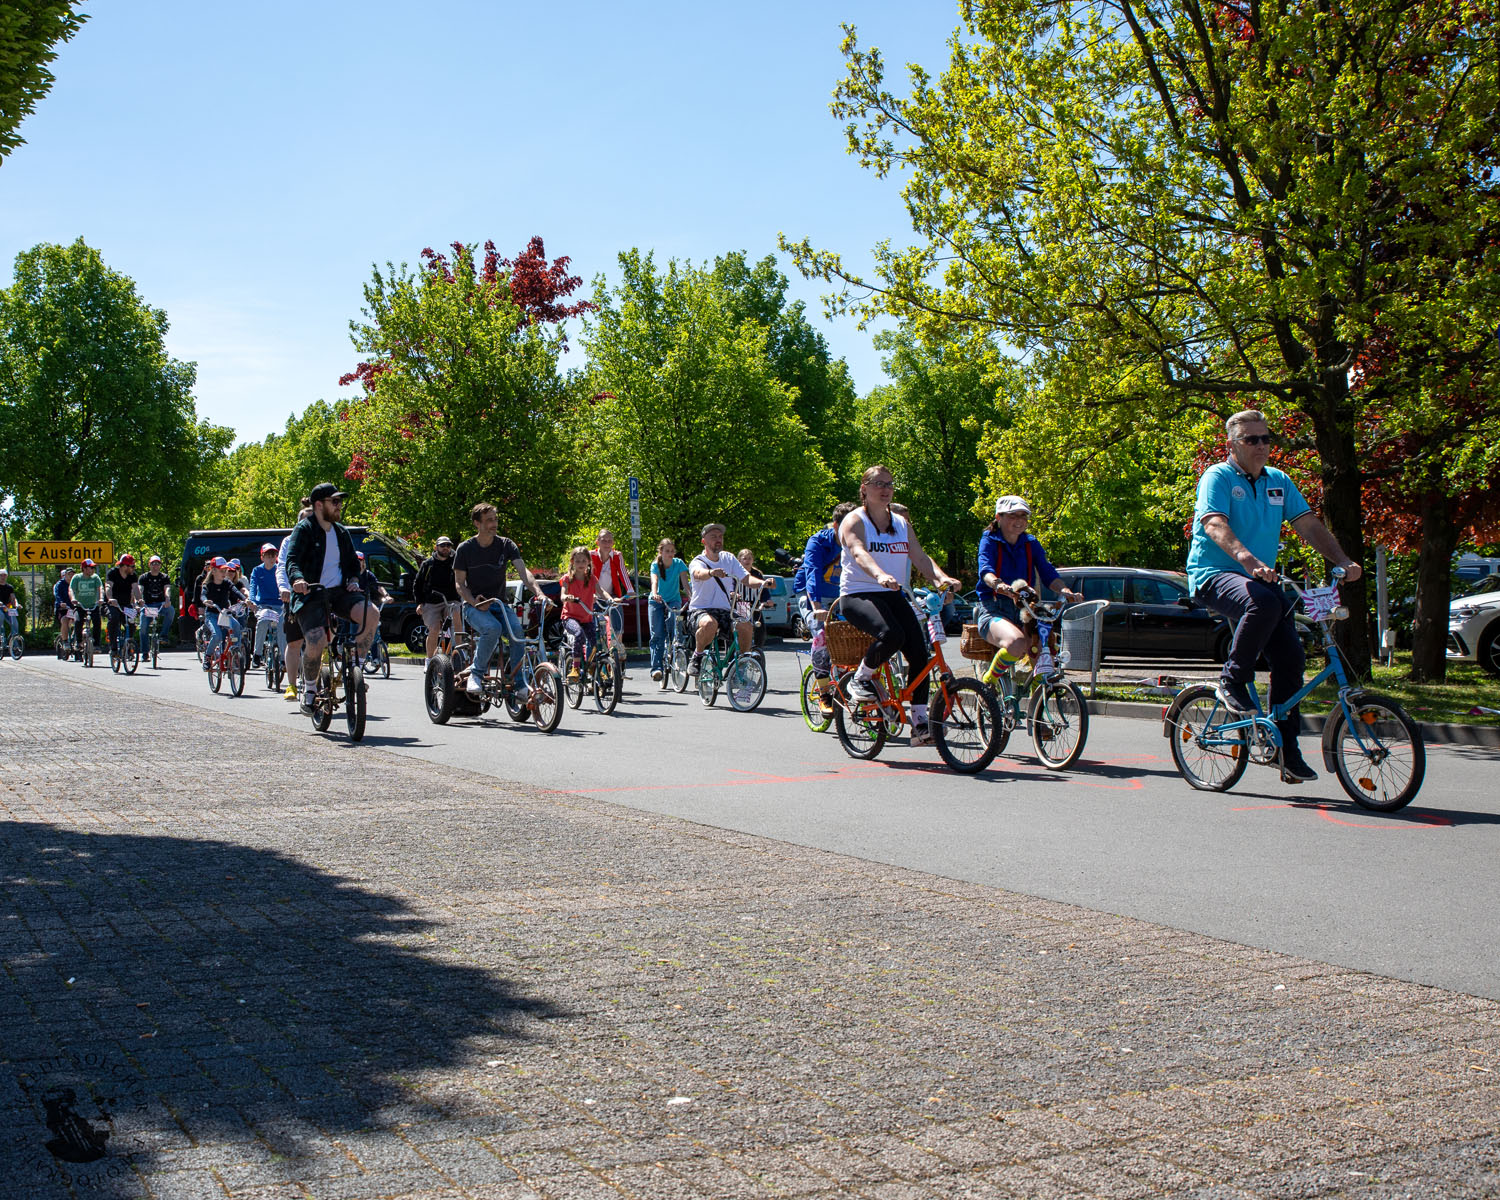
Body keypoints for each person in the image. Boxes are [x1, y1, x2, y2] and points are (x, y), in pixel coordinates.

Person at [1187, 409, 1363, 784]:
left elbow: (1308, 525)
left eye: (1266, 438)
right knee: (1264, 601)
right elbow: (1214, 524)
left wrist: (1343, 560)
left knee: (1291, 658)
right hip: (1214, 575)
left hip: (1258, 581)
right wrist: (1248, 559)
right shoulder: (1217, 476)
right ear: (1232, 444)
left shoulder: (1278, 481)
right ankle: (1233, 679)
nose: (1262, 445)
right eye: (1252, 439)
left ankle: (1286, 748)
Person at [837, 465, 962, 747]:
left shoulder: (901, 524)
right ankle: (861, 678)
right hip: (858, 594)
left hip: (893, 594)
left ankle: (919, 724)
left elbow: (920, 557)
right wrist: (879, 574)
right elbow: (858, 551)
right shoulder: (854, 521)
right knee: (892, 634)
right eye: (879, 483)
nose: (886, 489)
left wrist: (942, 579)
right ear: (864, 489)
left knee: (920, 655)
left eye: (890, 484)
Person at [285, 483, 377, 709]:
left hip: (339, 592)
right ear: (319, 505)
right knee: (317, 639)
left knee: (372, 613)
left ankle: (356, 666)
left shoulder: (341, 532)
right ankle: (309, 688)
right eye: (334, 502)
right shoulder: (304, 529)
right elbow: (292, 560)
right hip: (311, 592)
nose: (339, 506)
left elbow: (353, 564)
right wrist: (297, 579)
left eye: (340, 501)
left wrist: (353, 580)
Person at [453, 502, 550, 699]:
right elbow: (459, 584)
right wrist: (474, 602)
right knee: (493, 628)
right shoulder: (465, 549)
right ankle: (476, 675)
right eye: (489, 520)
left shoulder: (506, 545)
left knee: (517, 633)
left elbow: (524, 572)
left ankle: (519, 684)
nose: (494, 524)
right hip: (474, 607)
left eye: (495, 519)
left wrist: (539, 593)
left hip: (499, 604)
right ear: (477, 523)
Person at [976, 496, 1082, 669]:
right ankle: (990, 680)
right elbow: (985, 570)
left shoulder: (1030, 542)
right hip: (994, 609)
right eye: (1013, 515)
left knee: (1045, 651)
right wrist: (998, 584)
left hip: (1027, 610)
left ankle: (1041, 685)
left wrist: (1064, 590)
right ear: (998, 517)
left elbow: (1048, 572)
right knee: (1017, 643)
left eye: (1023, 515)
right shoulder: (989, 540)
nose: (1019, 520)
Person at [795, 502, 859, 713]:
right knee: (822, 635)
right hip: (812, 595)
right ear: (836, 525)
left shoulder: (859, 543)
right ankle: (824, 694)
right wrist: (816, 607)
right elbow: (812, 574)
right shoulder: (819, 542)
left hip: (840, 596)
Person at [686, 524, 771, 677]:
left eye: (720, 536)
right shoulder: (698, 561)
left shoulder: (729, 558)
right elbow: (698, 573)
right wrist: (711, 572)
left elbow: (746, 578)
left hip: (725, 611)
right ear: (704, 541)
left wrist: (762, 583)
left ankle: (742, 666)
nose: (718, 540)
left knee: (746, 625)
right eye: (713, 537)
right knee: (709, 624)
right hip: (700, 610)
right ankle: (697, 656)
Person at [275, 501, 311, 700]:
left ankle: (325, 675)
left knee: (324, 637)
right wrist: (283, 588)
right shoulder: (289, 541)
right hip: (294, 595)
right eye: (305, 521)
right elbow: (282, 566)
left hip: (317, 594)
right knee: (295, 641)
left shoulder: (324, 539)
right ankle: (291, 685)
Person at [559, 546, 614, 676]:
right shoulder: (567, 578)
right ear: (572, 562)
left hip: (586, 618)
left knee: (596, 642)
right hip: (570, 617)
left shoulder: (591, 578)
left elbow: (601, 591)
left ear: (588, 562)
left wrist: (610, 599)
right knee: (579, 634)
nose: (581, 564)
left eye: (584, 561)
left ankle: (592, 667)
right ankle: (575, 668)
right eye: (578, 561)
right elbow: (562, 594)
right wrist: (567, 597)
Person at [591, 529, 636, 677]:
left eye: (610, 540)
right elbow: (587, 576)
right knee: (595, 629)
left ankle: (618, 650)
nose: (607, 543)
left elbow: (623, 573)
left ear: (613, 543)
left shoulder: (617, 556)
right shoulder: (590, 556)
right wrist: (590, 593)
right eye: (603, 540)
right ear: (597, 542)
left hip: (612, 596)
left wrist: (630, 590)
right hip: (594, 596)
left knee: (617, 616)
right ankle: (594, 664)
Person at [414, 536, 459, 665]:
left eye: (448, 545)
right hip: (431, 602)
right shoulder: (428, 564)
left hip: (451, 600)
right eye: (442, 545)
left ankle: (460, 654)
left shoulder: (455, 562)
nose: (446, 548)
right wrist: (419, 603)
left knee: (456, 616)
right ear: (436, 547)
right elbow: (417, 584)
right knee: (434, 628)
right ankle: (429, 661)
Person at [647, 538, 688, 680]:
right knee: (657, 634)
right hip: (657, 600)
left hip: (673, 599)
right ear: (661, 552)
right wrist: (655, 593)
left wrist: (691, 596)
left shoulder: (679, 563)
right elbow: (654, 581)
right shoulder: (655, 565)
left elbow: (685, 583)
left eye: (672, 551)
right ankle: (656, 669)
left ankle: (675, 648)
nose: (670, 554)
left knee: (675, 622)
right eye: (667, 551)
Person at [199, 557, 246, 670]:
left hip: (224, 614)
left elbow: (235, 591)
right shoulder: (208, 584)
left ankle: (235, 649)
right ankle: (208, 657)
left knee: (236, 626)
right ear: (213, 571)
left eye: (225, 570)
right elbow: (203, 595)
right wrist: (205, 601)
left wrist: (245, 600)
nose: (224, 573)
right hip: (212, 615)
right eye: (221, 570)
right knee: (217, 635)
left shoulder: (227, 583)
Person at [247, 543, 284, 669]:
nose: (271, 558)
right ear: (262, 557)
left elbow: (285, 584)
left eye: (273, 555)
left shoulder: (279, 569)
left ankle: (283, 659)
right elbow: (253, 587)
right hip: (263, 605)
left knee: (282, 626)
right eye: (268, 555)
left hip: (279, 605)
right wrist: (251, 600)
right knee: (262, 622)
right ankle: (257, 654)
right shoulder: (257, 570)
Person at [105, 553, 140, 657]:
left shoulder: (132, 576)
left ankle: (128, 644)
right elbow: (108, 586)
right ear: (125, 566)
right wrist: (110, 598)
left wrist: (140, 600)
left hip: (126, 604)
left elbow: (136, 589)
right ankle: (113, 648)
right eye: (132, 566)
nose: (134, 568)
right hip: (113, 604)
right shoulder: (112, 573)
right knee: (114, 618)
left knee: (132, 622)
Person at [137, 555, 174, 654]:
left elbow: (167, 588)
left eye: (157, 564)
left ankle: (163, 635)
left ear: (160, 565)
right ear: (149, 565)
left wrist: (167, 599)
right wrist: (139, 600)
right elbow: (140, 589)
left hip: (160, 605)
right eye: (153, 564)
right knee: (143, 628)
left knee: (170, 610)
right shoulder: (143, 577)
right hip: (147, 605)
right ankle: (145, 652)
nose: (155, 566)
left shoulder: (164, 577)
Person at [69, 559, 104, 653]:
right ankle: (78, 642)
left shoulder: (95, 577)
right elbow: (71, 589)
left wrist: (101, 598)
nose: (93, 570)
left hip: (93, 606)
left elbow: (100, 588)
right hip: (80, 606)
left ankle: (96, 645)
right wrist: (73, 598)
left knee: (97, 622)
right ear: (84, 568)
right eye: (91, 568)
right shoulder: (77, 578)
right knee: (78, 621)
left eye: (93, 568)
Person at [53, 567, 76, 654]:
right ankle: (65, 641)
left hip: (74, 607)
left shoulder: (76, 583)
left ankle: (76, 639)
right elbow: (57, 595)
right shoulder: (60, 584)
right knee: (65, 620)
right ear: (65, 575)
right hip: (63, 608)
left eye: (72, 574)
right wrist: (61, 603)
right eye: (69, 574)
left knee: (79, 621)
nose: (71, 576)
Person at [0, 568, 20, 647]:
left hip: (7, 607)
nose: (3, 577)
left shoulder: (9, 587)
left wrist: (17, 604)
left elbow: (13, 598)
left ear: (7, 576)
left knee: (14, 623)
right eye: (1, 575)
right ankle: (2, 637)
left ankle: (15, 644)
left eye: (4, 575)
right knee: (1, 616)